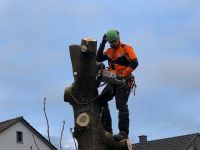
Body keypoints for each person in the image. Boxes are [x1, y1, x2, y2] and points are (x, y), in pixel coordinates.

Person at [96, 29, 138, 140]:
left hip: (123, 81)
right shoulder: (109, 51)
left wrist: (123, 74)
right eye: (111, 42)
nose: (113, 43)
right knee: (100, 101)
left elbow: (135, 62)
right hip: (112, 80)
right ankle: (107, 129)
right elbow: (98, 58)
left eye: (114, 41)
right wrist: (102, 43)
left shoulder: (126, 48)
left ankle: (123, 133)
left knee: (121, 105)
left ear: (118, 38)